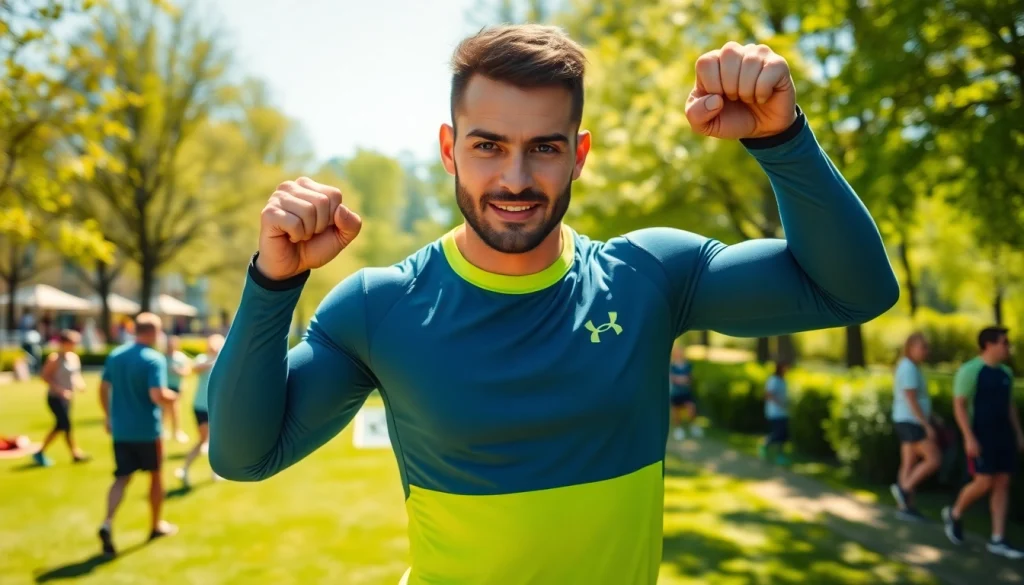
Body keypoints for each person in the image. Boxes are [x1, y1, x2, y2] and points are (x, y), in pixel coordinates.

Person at [208, 26, 898, 584]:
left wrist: (782, 139)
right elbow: (242, 454)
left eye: (544, 147)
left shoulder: (650, 275)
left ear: (579, 155)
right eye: (488, 146)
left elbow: (856, 288)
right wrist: (272, 283)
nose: (515, 178)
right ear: (450, 150)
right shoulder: (380, 306)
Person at [97, 312, 180, 556]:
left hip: (121, 430)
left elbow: (103, 388)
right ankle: (155, 526)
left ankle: (107, 522)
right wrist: (173, 397)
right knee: (155, 476)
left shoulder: (116, 355)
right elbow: (157, 395)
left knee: (122, 477)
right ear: (153, 332)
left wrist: (108, 416)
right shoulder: (153, 359)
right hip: (147, 431)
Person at [943, 326, 1023, 558]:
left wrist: (1018, 434)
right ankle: (955, 513)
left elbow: (1010, 407)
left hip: (1003, 437)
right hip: (980, 436)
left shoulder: (1006, 373)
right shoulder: (971, 371)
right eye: (1004, 342)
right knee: (984, 481)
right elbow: (959, 405)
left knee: (1002, 482)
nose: (1008, 347)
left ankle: (998, 538)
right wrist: (969, 438)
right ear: (989, 345)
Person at [889, 332, 938, 521]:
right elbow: (910, 398)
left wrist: (933, 416)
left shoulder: (911, 367)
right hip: (911, 421)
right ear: (911, 347)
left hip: (907, 420)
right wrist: (926, 425)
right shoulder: (909, 368)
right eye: (922, 347)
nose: (926, 351)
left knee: (908, 463)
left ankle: (905, 507)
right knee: (933, 459)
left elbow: (918, 398)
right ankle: (904, 490)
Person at [32, 330, 90, 466]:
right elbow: (45, 376)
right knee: (64, 424)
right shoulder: (55, 358)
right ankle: (41, 451)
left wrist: (80, 384)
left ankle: (74, 453)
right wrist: (60, 389)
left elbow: (75, 375)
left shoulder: (73, 357)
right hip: (55, 397)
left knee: (64, 425)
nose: (75, 345)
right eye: (72, 343)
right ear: (64, 343)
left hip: (68, 397)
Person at [175, 333, 224, 487]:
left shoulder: (224, 361)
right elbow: (194, 369)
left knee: (214, 441)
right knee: (205, 440)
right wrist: (213, 361)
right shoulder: (203, 359)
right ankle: (185, 469)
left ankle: (214, 471)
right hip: (201, 406)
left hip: (217, 407)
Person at [758, 361, 791, 465]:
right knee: (777, 433)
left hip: (784, 412)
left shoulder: (783, 380)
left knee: (783, 435)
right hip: (775, 412)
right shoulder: (773, 380)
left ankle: (780, 455)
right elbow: (768, 394)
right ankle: (764, 445)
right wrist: (779, 403)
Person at [163, 335, 191, 444]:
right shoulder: (163, 357)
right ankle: (163, 430)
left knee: (174, 410)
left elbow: (187, 371)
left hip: (175, 386)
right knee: (163, 410)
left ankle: (176, 431)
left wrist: (177, 371)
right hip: (164, 385)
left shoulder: (180, 357)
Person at [668, 344, 701, 440]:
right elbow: (672, 378)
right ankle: (678, 429)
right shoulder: (672, 366)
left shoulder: (688, 365)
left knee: (691, 408)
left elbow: (690, 377)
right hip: (676, 393)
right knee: (676, 412)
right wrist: (681, 379)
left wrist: (682, 379)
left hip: (686, 392)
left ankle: (693, 426)